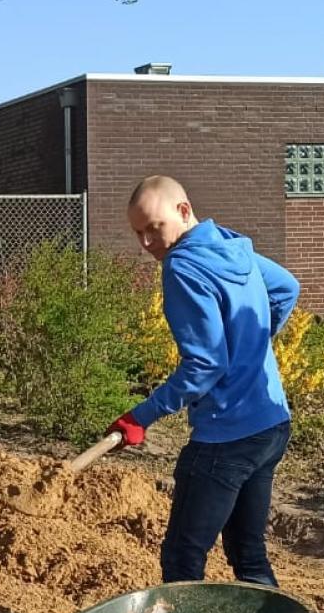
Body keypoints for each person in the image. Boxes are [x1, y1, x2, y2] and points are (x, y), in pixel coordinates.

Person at [108, 176, 300, 586]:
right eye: (138, 233)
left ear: (183, 210)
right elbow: (286, 288)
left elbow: (205, 365)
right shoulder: (232, 247)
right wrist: (252, 343)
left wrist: (141, 416)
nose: (146, 243)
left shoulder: (182, 267)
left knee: (182, 557)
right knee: (248, 554)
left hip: (226, 437)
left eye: (153, 228)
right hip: (271, 426)